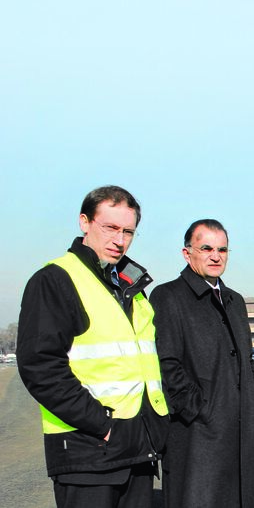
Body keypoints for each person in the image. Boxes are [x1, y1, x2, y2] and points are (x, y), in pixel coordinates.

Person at [17, 185, 168, 508]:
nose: (120, 240)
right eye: (110, 228)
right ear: (84, 222)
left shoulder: (131, 286)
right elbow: (40, 367)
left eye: (128, 231)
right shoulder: (56, 280)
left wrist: (155, 427)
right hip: (88, 450)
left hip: (137, 449)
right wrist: (102, 425)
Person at [150, 219, 254, 507]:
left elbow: (246, 361)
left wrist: (252, 402)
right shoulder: (168, 296)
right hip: (195, 435)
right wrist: (202, 410)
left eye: (222, 249)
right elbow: (167, 364)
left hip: (239, 431)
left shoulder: (234, 300)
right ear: (187, 253)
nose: (216, 256)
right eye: (207, 248)